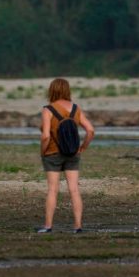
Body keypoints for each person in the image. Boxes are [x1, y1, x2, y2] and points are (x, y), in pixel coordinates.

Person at [38, 78, 95, 233]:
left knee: (52, 190)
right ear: (67, 90)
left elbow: (45, 136)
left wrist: (43, 151)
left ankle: (48, 226)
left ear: (52, 90)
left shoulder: (48, 110)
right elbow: (90, 130)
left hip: (52, 154)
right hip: (72, 153)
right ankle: (78, 226)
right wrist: (83, 147)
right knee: (74, 190)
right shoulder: (76, 109)